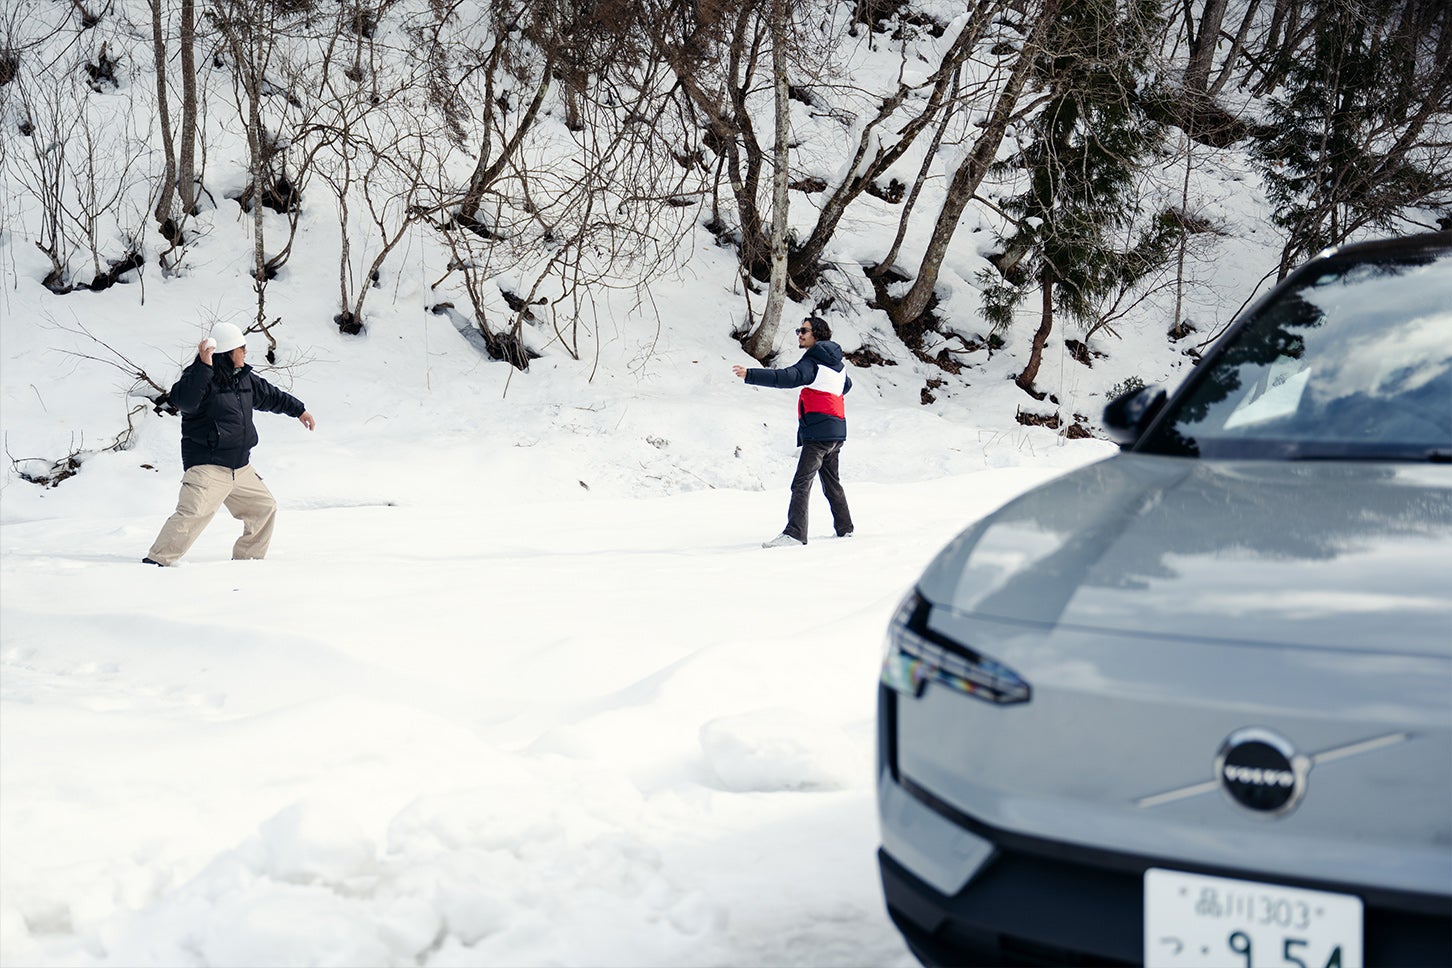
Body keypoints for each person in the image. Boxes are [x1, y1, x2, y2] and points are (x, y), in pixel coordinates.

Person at [143, 322, 316, 566]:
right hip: (208, 466)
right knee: (192, 515)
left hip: (240, 467)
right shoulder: (198, 377)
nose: (245, 352)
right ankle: (156, 562)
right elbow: (185, 401)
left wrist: (299, 410)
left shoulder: (244, 378)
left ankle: (247, 563)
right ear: (228, 352)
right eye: (241, 348)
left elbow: (271, 395)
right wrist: (204, 366)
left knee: (264, 508)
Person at [732, 315, 854, 547]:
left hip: (818, 435)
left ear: (816, 334)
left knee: (801, 482)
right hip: (836, 432)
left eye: (804, 330)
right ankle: (845, 528)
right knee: (832, 482)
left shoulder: (814, 361)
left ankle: (795, 533)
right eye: (799, 330)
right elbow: (846, 386)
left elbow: (787, 378)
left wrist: (751, 374)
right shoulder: (838, 364)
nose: (799, 334)